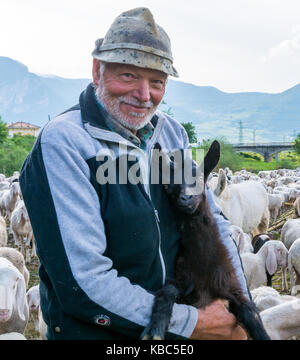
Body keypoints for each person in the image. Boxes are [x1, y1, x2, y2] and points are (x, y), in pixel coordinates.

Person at [19, 7, 249, 340]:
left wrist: (239, 309)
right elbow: (84, 280)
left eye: (156, 82)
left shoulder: (171, 135)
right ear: (98, 70)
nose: (144, 95)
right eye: (128, 76)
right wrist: (191, 323)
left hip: (174, 330)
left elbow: (212, 221)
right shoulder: (66, 143)